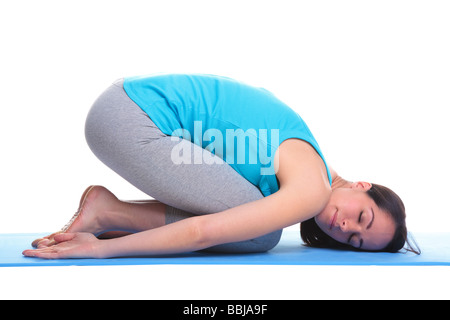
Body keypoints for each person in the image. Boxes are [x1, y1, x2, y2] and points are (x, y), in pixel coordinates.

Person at [23, 74, 419, 259]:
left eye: (353, 240)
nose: (345, 228)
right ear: (361, 185)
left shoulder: (308, 155)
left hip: (125, 104)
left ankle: (110, 212)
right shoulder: (311, 187)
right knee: (260, 235)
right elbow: (201, 232)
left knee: (260, 228)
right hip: (128, 117)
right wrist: (102, 253)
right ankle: (108, 212)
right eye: (362, 218)